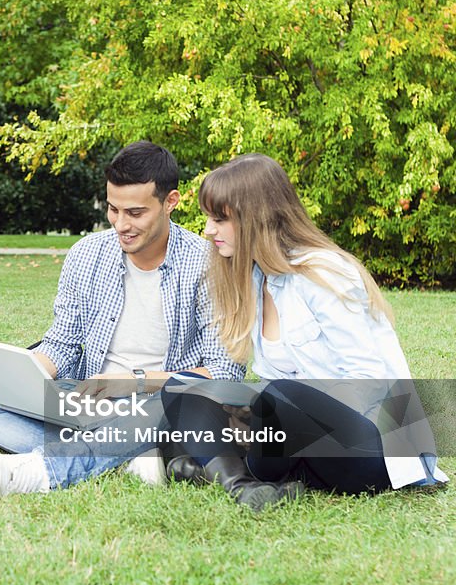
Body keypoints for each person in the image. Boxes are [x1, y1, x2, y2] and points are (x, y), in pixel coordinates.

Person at [161, 153, 447, 507]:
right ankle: (241, 485)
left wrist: (272, 407)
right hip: (300, 445)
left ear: (256, 218)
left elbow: (369, 381)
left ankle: (215, 465)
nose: (208, 230)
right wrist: (252, 410)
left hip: (374, 449)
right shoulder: (253, 279)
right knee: (181, 386)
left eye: (220, 219)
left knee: (281, 395)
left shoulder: (323, 272)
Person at [0, 141, 248, 497]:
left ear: (170, 202)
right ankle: (129, 454)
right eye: (114, 210)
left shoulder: (208, 264)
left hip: (161, 400)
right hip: (89, 399)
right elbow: (62, 344)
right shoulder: (86, 254)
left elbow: (224, 373)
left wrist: (134, 382)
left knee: (175, 404)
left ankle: (45, 469)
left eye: (135, 213)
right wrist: (8, 380)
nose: (120, 224)